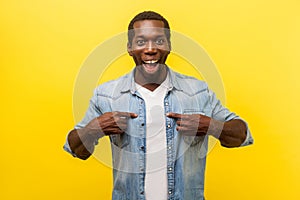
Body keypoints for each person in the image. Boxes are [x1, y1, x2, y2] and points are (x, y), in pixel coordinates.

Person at [63, 11, 253, 200]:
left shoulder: (197, 92)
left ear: (169, 46)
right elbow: (76, 150)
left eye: (159, 41)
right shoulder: (106, 95)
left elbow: (241, 135)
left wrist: (211, 125)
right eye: (141, 42)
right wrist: (94, 129)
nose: (150, 49)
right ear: (129, 48)